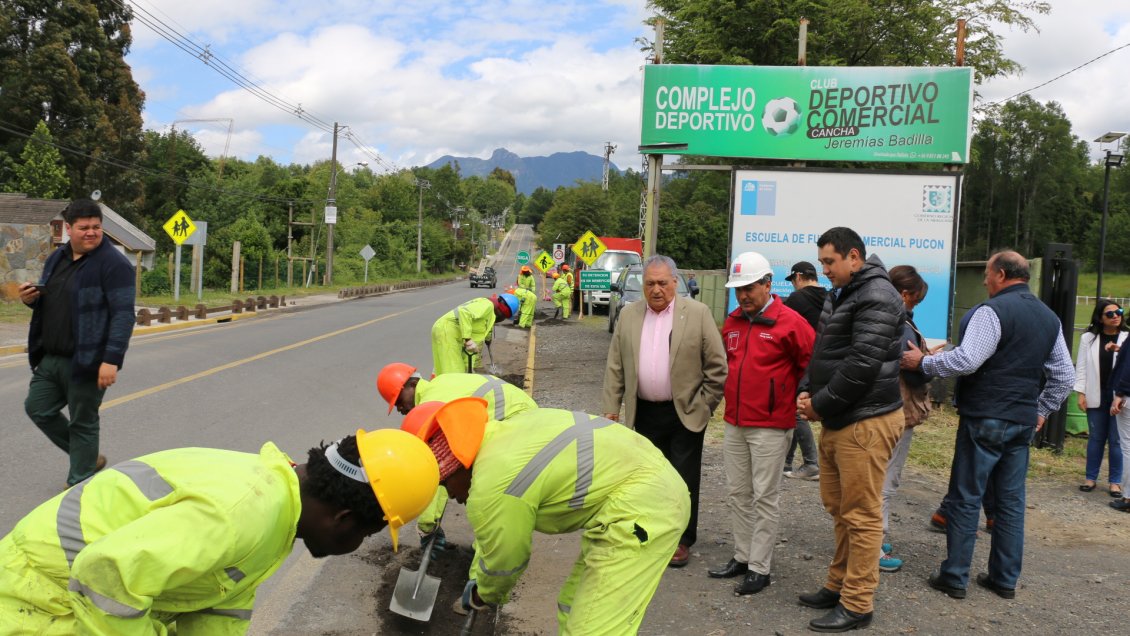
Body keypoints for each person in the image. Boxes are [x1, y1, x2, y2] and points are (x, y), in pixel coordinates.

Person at [0, 428, 439, 634]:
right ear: (343, 518)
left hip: (67, 598)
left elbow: (219, 610)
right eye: (366, 534)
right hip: (38, 601)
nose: (357, 545)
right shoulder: (241, 511)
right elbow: (106, 577)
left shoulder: (279, 511)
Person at [405, 397, 690, 635]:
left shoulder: (492, 485)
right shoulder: (502, 434)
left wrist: (482, 594)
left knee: (592, 630)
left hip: (645, 507)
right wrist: (481, 580)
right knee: (572, 604)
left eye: (445, 482)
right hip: (636, 488)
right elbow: (496, 541)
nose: (451, 495)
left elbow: (507, 561)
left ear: (459, 462)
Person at [902, 250, 1073, 601]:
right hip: (1022, 420)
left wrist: (923, 364)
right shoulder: (1049, 318)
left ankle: (954, 576)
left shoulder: (991, 311)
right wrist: (1041, 410)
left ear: (1000, 274)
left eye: (986, 272)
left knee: (967, 496)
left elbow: (968, 359)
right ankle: (1004, 579)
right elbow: (1065, 376)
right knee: (1010, 502)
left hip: (985, 417)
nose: (983, 279)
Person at [795, 226, 905, 633]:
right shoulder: (842, 292)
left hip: (867, 420)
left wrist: (818, 405)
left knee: (861, 516)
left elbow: (862, 365)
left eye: (829, 262)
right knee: (840, 510)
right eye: (822, 262)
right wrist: (808, 389)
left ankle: (858, 604)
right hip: (844, 417)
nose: (824, 270)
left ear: (854, 257)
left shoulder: (877, 295)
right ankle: (838, 584)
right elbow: (823, 350)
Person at [601, 254, 727, 568]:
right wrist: (611, 411)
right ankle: (652, 533)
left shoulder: (697, 313)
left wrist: (704, 407)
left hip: (684, 413)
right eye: (650, 284)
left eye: (662, 283)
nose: (656, 289)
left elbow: (717, 367)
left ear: (675, 283)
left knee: (683, 481)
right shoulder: (629, 315)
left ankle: (681, 540)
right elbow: (615, 366)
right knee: (647, 479)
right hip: (642, 413)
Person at [710, 252, 813, 595]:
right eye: (738, 289)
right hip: (736, 422)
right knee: (738, 493)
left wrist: (799, 397)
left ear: (768, 284)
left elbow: (810, 364)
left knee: (764, 497)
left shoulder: (791, 322)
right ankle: (742, 556)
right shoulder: (734, 321)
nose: (743, 295)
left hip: (770, 425)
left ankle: (760, 568)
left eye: (749, 288)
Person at [18, 198, 136, 488]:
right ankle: (86, 457)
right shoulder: (56, 259)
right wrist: (31, 300)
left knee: (82, 422)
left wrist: (111, 359)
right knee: (38, 408)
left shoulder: (114, 264)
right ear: (68, 228)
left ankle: (79, 486)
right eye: (84, 227)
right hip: (51, 356)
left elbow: (123, 316)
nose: (91, 232)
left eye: (96, 227)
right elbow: (55, 301)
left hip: (89, 360)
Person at [877, 265, 933, 574]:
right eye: (915, 300)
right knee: (885, 481)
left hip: (882, 409)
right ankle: (875, 547)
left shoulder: (877, 316)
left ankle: (873, 538)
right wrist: (930, 362)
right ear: (904, 294)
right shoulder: (901, 325)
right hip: (898, 411)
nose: (914, 305)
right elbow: (911, 366)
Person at [1074, 300, 1126, 496]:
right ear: (1100, 318)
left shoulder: (1126, 338)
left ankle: (1115, 482)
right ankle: (1090, 478)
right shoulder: (1088, 338)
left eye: (1118, 312)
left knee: (1116, 440)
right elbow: (1081, 368)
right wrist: (1081, 393)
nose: (1116, 316)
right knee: (1095, 438)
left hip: (1119, 396)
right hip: (1096, 394)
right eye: (1110, 314)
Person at [783, 260, 826, 481]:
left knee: (796, 410)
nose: (793, 285)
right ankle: (786, 463)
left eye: (792, 281)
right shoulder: (829, 297)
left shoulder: (797, 299)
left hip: (802, 361)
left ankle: (811, 463)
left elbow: (779, 323)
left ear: (798, 277)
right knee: (795, 409)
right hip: (823, 362)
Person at [430, 294, 516, 374]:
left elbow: (485, 325)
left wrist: (488, 339)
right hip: (447, 331)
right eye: (504, 317)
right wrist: (468, 339)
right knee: (454, 372)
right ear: (503, 311)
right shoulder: (487, 305)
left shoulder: (491, 310)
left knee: (444, 369)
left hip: (447, 330)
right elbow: (464, 312)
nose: (502, 320)